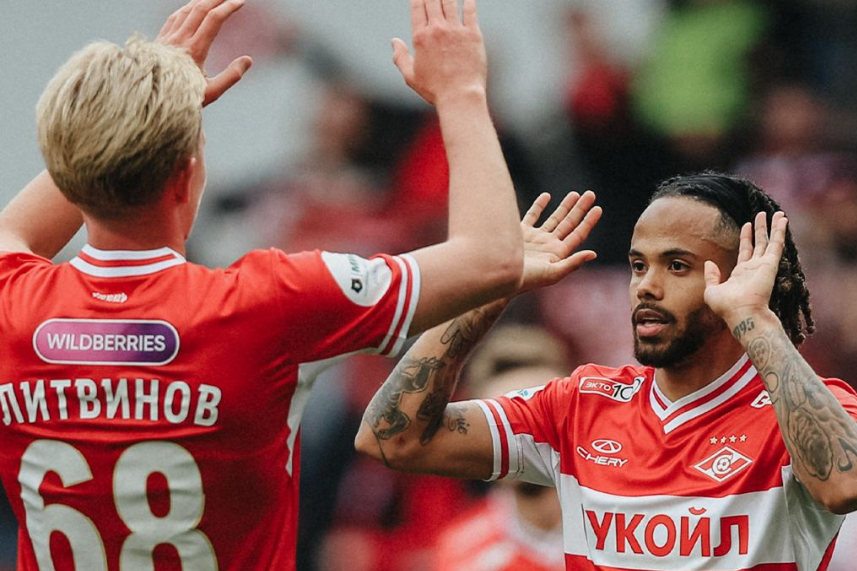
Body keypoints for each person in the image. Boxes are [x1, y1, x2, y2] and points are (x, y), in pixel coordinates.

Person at [0, 0, 524, 568]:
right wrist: (462, 92)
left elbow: (18, 227)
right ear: (186, 176)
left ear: (68, 169)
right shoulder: (266, 301)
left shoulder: (13, 304)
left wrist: (130, 111)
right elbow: (492, 257)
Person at [356, 173, 857, 571]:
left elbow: (845, 484)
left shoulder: (804, 412)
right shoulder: (579, 406)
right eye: (639, 265)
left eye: (676, 266)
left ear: (744, 276)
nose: (646, 286)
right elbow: (391, 438)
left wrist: (755, 319)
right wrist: (489, 291)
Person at [432, 324, 569, 571]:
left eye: (541, 414)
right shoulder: (462, 556)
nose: (526, 436)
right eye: (505, 422)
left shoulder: (632, 530)